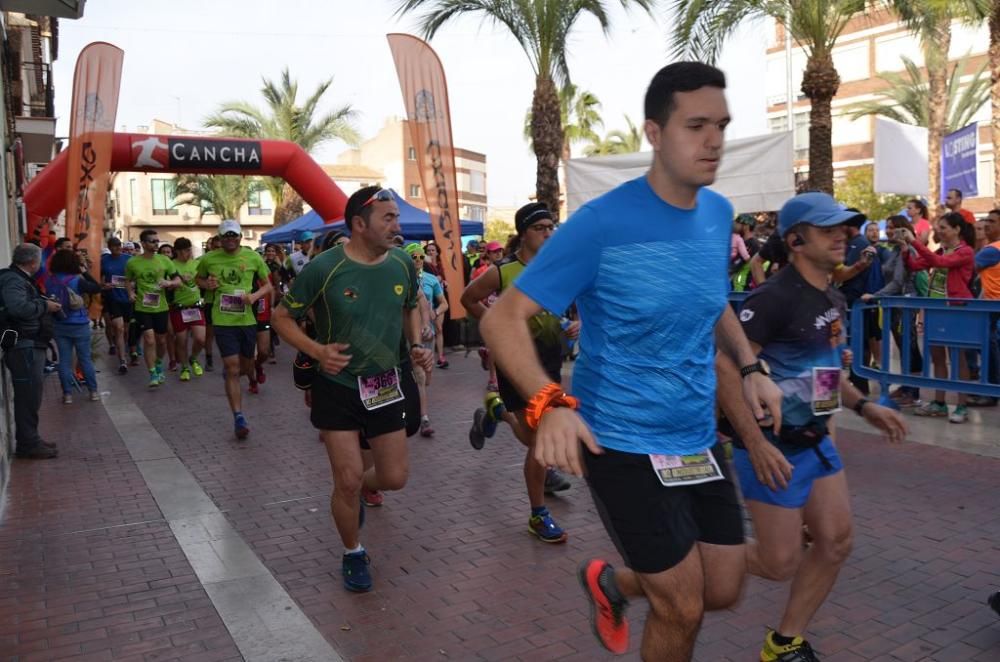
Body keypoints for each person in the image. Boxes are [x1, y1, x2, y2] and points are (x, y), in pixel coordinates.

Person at [480, 63, 784, 660]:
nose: (714, 140)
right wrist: (553, 403)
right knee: (682, 607)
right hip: (621, 443)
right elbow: (500, 319)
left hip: (696, 441)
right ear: (654, 132)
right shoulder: (602, 223)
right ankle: (637, 589)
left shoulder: (717, 214)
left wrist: (749, 366)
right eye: (695, 125)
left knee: (723, 587)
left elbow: (712, 298)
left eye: (721, 125)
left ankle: (612, 582)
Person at [716, 192, 907, 662]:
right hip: (774, 448)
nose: (843, 235)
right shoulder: (771, 299)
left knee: (836, 541)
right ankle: (677, 562)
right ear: (796, 240)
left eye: (844, 227)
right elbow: (725, 369)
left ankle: (783, 643)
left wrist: (863, 407)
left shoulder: (831, 295)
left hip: (815, 442)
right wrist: (756, 443)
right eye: (829, 229)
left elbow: (822, 372)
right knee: (778, 562)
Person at [272, 185, 433, 594]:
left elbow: (410, 305)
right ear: (359, 225)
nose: (398, 226)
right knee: (345, 479)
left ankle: (361, 489)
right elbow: (281, 318)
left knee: (394, 477)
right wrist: (316, 351)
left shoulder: (401, 264)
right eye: (389, 218)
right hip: (336, 384)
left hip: (385, 380)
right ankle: (353, 551)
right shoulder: (323, 269)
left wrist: (416, 345)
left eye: (397, 217)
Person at [464, 202, 579, 543]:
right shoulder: (503, 271)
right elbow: (469, 298)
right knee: (539, 441)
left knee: (534, 440)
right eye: (541, 227)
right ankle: (538, 515)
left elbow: (574, 308)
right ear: (523, 233)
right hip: (516, 363)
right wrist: (495, 324)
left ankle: (496, 412)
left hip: (550, 361)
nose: (548, 232)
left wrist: (576, 324)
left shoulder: (560, 270)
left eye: (551, 226)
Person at [196, 220, 272, 439]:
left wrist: (254, 296)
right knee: (232, 368)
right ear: (219, 238)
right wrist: (206, 284)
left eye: (234, 235)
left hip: (247, 319)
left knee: (247, 366)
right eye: (226, 236)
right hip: (223, 320)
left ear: (240, 237)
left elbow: (267, 284)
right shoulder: (209, 259)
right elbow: (198, 278)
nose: (231, 239)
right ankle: (238, 417)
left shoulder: (253, 257)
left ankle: (250, 372)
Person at [904, 212, 976, 423]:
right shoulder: (942, 250)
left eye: (943, 227)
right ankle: (940, 403)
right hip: (935, 309)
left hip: (956, 309)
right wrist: (904, 248)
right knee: (937, 357)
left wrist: (915, 243)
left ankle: (962, 406)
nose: (939, 231)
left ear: (957, 229)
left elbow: (938, 262)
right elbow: (917, 266)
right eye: (938, 227)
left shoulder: (966, 252)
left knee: (958, 358)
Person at [0, 244, 61, 459]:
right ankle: (28, 443)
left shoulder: (20, 279)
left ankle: (31, 438)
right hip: (23, 345)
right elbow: (18, 308)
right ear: (33, 262)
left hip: (30, 344)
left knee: (32, 396)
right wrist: (45, 307)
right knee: (28, 396)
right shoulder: (13, 280)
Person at [861, 215, 925, 407]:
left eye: (892, 227)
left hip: (906, 305)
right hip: (896, 306)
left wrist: (875, 295)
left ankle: (913, 392)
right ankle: (906, 387)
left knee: (910, 347)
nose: (887, 231)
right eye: (887, 227)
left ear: (903, 230)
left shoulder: (908, 251)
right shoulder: (895, 250)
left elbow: (898, 282)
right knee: (903, 346)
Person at [125, 229, 181, 388]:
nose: (156, 244)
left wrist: (169, 283)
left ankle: (158, 363)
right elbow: (128, 280)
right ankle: (153, 373)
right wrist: (130, 293)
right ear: (143, 243)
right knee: (149, 339)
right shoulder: (132, 262)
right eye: (152, 241)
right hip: (142, 307)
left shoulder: (164, 260)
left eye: (157, 241)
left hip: (161, 307)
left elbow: (178, 280)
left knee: (161, 341)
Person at [46, 249, 103, 404]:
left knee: (64, 361)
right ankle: (93, 392)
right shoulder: (77, 280)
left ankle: (67, 395)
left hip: (59, 323)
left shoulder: (49, 280)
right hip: (79, 324)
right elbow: (96, 287)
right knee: (85, 359)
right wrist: (84, 272)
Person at [404, 243, 447, 437]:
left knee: (426, 378)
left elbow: (443, 303)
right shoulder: (402, 279)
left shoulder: (430, 279)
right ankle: (424, 418)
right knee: (419, 376)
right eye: (414, 257)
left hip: (427, 333)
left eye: (421, 257)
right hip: (407, 336)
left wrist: (434, 314)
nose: (419, 260)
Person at [969, 209, 1000, 407]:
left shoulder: (991, 250)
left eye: (992, 221)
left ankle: (990, 390)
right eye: (986, 220)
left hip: (991, 305)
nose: (987, 224)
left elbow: (967, 269)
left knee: (987, 344)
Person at [168, 237, 206, 382]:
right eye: (184, 251)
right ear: (177, 251)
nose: (187, 253)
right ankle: (184, 367)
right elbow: (167, 284)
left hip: (196, 307)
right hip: (179, 308)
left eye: (189, 250)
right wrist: (175, 282)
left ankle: (193, 358)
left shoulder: (197, 264)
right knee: (181, 340)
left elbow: (202, 281)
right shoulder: (171, 265)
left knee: (200, 339)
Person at [100, 237, 132, 375]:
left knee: (125, 330)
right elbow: (97, 278)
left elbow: (137, 277)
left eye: (118, 245)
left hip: (128, 299)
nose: (116, 248)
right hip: (112, 299)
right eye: (113, 246)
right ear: (109, 247)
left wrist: (132, 286)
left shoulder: (129, 259)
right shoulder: (104, 260)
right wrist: (103, 286)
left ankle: (124, 347)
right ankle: (122, 361)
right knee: (118, 328)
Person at [202, 234, 222, 372]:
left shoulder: (232, 260)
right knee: (209, 332)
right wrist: (206, 284)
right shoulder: (205, 260)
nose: (218, 249)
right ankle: (209, 358)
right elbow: (197, 280)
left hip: (228, 302)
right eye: (215, 247)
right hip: (210, 301)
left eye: (220, 247)